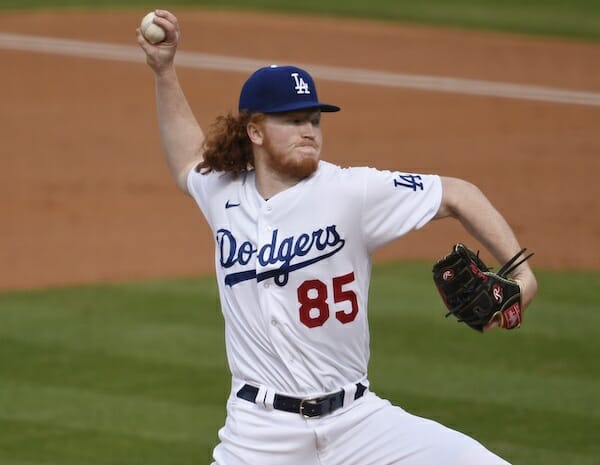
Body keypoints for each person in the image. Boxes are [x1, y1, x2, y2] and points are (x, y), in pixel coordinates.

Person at [137, 10, 537, 465]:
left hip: (358, 423)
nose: (308, 130)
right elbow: (189, 161)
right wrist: (164, 70)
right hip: (260, 433)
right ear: (255, 130)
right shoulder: (223, 191)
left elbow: (460, 194)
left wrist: (523, 275)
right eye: (292, 120)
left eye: (314, 119)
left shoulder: (352, 192)